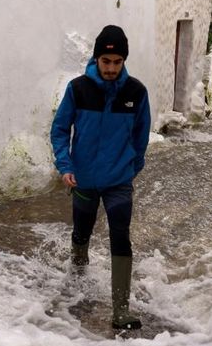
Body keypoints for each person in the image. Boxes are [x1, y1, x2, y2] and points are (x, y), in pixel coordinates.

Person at [50, 25, 151, 330]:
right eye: (106, 62)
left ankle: (120, 310)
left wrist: (130, 167)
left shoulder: (136, 92)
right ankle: (77, 278)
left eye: (117, 62)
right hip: (83, 180)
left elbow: (141, 135)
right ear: (96, 59)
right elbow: (59, 129)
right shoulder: (78, 89)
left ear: (123, 61)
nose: (111, 68)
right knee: (82, 231)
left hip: (119, 181)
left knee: (121, 235)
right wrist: (66, 166)